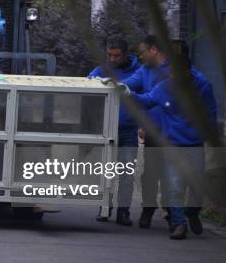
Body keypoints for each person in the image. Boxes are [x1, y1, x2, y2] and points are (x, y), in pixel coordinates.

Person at [126, 56, 217, 239]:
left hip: (195, 143)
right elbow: (147, 100)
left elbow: (211, 112)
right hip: (173, 144)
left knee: (197, 184)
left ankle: (192, 212)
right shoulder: (164, 87)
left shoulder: (202, 86)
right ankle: (178, 223)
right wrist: (128, 93)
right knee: (174, 185)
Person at [120, 34, 170, 228]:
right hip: (153, 131)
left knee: (172, 174)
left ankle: (173, 212)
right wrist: (109, 83)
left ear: (154, 49)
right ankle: (148, 209)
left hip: (175, 133)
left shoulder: (173, 71)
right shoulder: (145, 71)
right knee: (150, 174)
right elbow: (129, 82)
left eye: (142, 52)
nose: (139, 57)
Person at [89, 39, 140, 226]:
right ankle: (105, 207)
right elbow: (89, 83)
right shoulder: (102, 70)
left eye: (116, 55)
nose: (112, 59)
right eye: (109, 55)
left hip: (128, 128)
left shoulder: (138, 72)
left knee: (127, 172)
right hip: (107, 128)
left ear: (126, 53)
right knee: (106, 171)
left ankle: (123, 211)